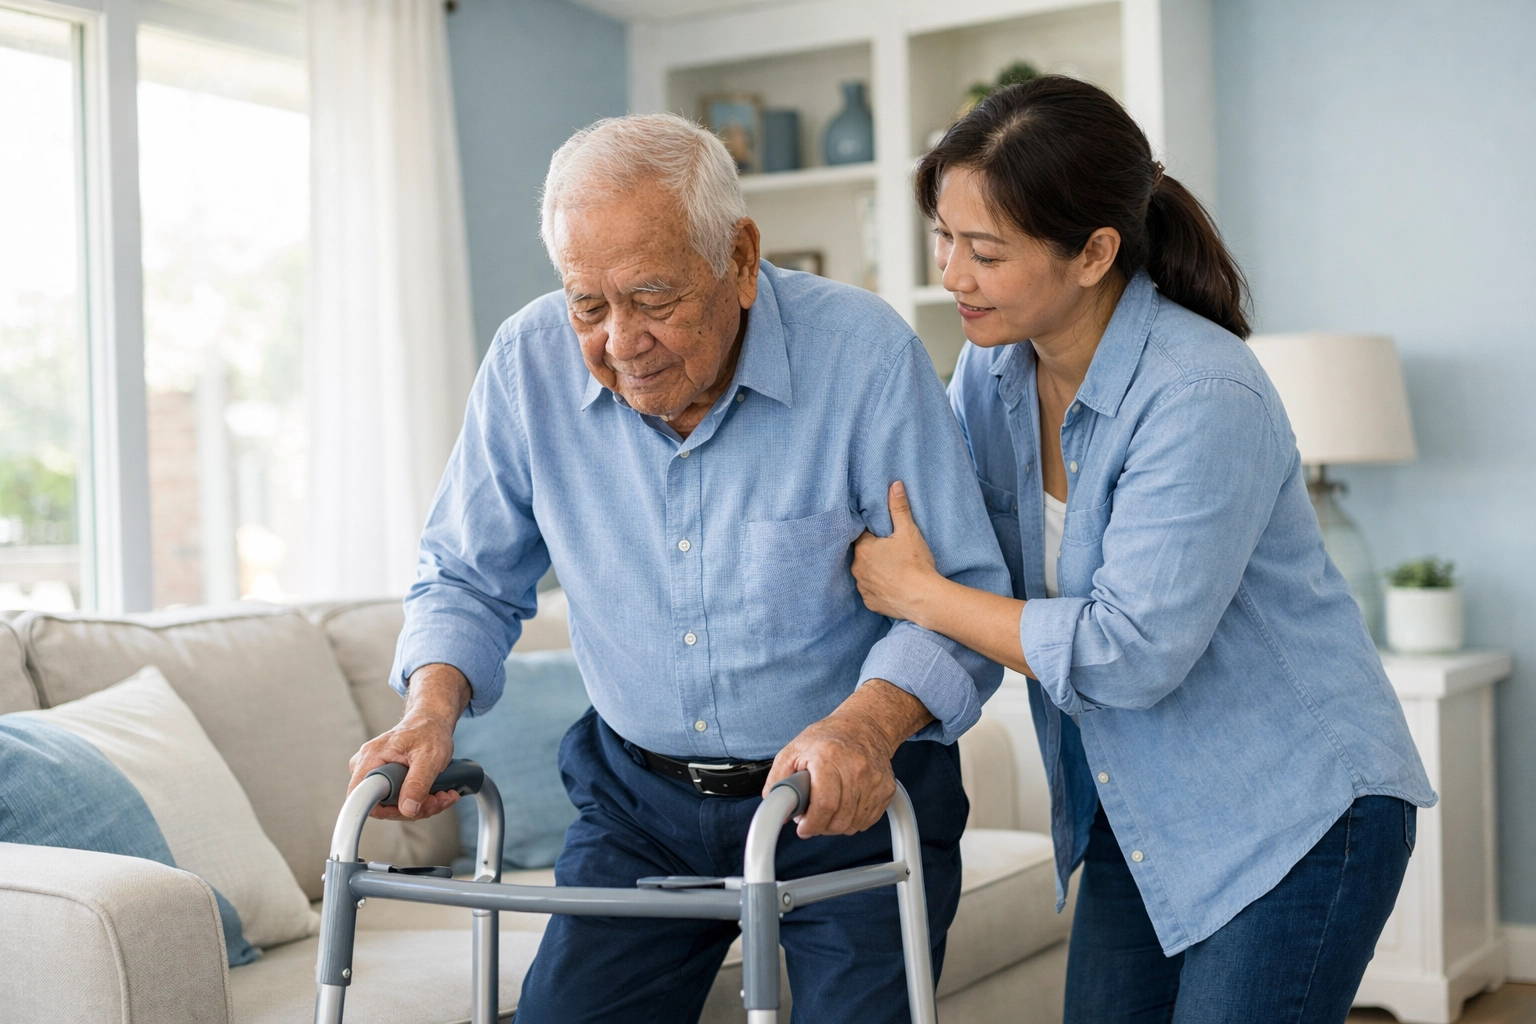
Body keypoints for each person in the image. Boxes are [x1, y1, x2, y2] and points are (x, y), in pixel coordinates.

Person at [345, 113, 1012, 1023]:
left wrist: (865, 723)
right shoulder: (524, 367)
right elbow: (467, 573)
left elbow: (958, 601)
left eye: (654, 299)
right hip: (637, 807)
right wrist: (429, 710)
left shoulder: (862, 356)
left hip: (845, 808)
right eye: (588, 304)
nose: (620, 341)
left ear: (740, 259)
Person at [849, 76, 1435, 1024]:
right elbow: (962, 552)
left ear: (1095, 253)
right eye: (943, 238)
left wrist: (917, 595)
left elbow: (1129, 651)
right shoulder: (990, 375)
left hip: (1298, 811)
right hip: (1139, 811)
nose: (951, 274)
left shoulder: (1202, 393)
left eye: (985, 251)